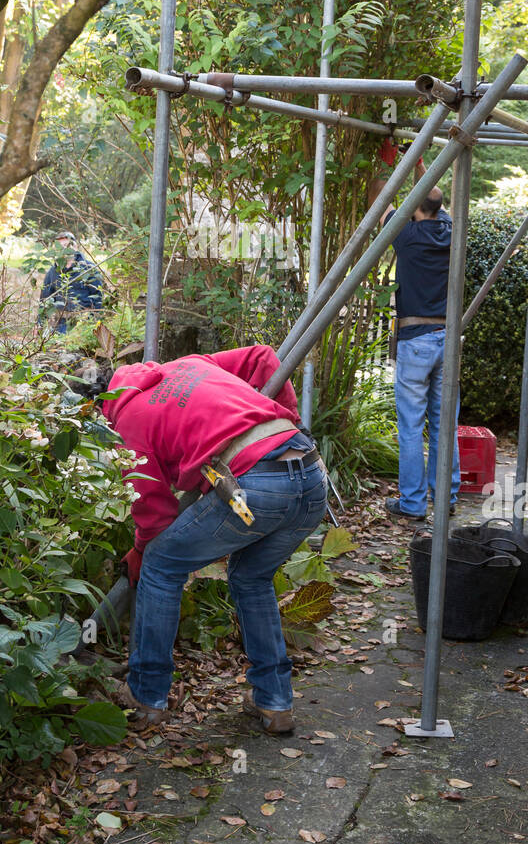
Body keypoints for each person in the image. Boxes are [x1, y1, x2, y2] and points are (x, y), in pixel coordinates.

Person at [82, 345, 328, 735]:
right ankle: (274, 702)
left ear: (99, 409)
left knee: (161, 565)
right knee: (251, 578)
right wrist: (288, 421)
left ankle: (147, 697)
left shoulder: (125, 422)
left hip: (255, 487)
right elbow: (263, 357)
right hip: (311, 475)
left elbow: (156, 514)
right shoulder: (189, 365)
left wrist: (141, 551)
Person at [371, 137, 461, 522]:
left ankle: (411, 504)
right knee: (445, 424)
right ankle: (446, 498)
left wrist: (387, 162)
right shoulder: (451, 231)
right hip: (449, 339)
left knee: (410, 427)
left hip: (416, 340)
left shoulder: (406, 236)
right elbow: (437, 200)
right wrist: (421, 163)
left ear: (415, 209)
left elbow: (380, 201)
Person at [40, 231, 103, 334]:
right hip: (60, 324)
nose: (64, 249)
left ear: (75, 247)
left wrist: (93, 324)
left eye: (66, 245)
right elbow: (44, 299)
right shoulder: (53, 272)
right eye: (60, 247)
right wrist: (40, 324)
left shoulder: (89, 269)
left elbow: (98, 298)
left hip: (83, 324)